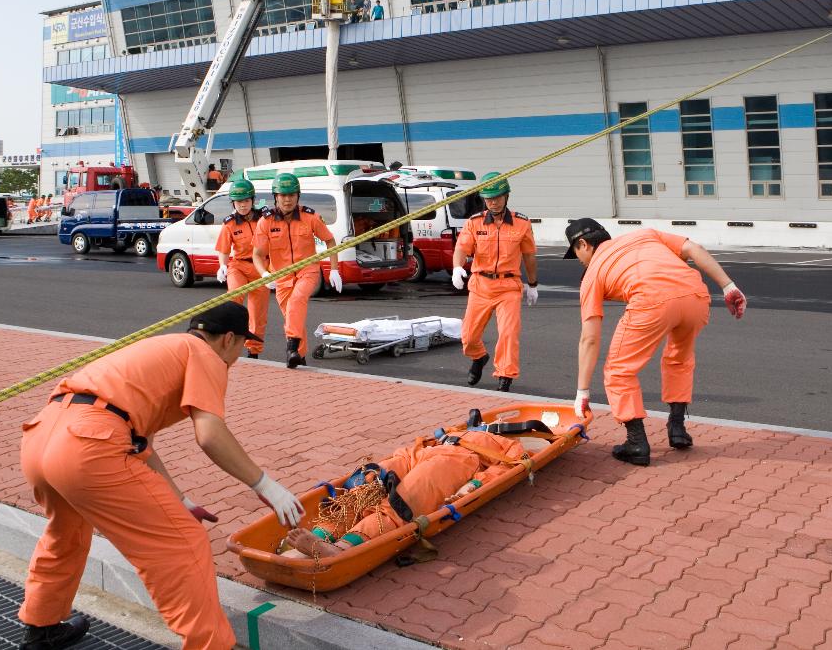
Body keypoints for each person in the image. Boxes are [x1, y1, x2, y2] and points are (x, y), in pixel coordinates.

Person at [15, 302, 304, 650]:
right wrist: (267, 486)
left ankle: (42, 626)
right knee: (183, 542)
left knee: (66, 532)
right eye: (243, 344)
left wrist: (180, 500)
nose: (240, 355)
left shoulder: (162, 349)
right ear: (228, 339)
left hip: (43, 434)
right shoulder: (205, 354)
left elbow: (140, 443)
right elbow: (210, 434)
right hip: (88, 445)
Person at [565, 218, 747, 466]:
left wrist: (582, 391)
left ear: (583, 244)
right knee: (679, 359)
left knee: (619, 371)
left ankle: (636, 442)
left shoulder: (592, 273)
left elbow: (589, 338)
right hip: (695, 295)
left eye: (576, 254)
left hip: (651, 301)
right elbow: (694, 249)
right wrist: (729, 287)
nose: (580, 261)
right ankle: (677, 428)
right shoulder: (644, 234)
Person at [282, 428, 528, 558]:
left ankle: (344, 547)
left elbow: (509, 465)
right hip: (417, 453)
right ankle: (321, 534)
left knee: (402, 502)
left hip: (460, 460)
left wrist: (474, 484)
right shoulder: (458, 429)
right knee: (364, 484)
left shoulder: (506, 443)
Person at [451, 172, 537, 392]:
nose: (493, 202)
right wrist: (457, 267)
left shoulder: (522, 223)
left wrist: (533, 285)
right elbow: (462, 248)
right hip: (480, 285)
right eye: (489, 198)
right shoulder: (474, 223)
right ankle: (479, 357)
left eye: (497, 197)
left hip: (509, 286)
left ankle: (505, 377)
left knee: (508, 333)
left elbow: (528, 255)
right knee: (468, 336)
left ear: (506, 196)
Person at [252, 173, 343, 368]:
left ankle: (291, 347)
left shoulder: (310, 217)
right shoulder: (265, 222)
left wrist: (334, 269)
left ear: (298, 196)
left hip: (307, 271)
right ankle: (299, 357)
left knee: (297, 301)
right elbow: (257, 255)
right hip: (281, 276)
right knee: (294, 317)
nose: (287, 199)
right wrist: (264, 274)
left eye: (292, 195)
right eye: (283, 195)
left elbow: (330, 240)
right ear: (275, 197)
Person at [215, 180, 268, 359]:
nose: (243, 205)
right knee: (234, 301)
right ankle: (226, 343)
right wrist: (222, 266)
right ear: (233, 204)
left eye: (246, 201)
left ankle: (253, 352)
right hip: (239, 266)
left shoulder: (264, 219)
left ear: (253, 200)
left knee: (258, 314)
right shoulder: (229, 224)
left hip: (261, 268)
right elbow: (223, 250)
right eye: (239, 202)